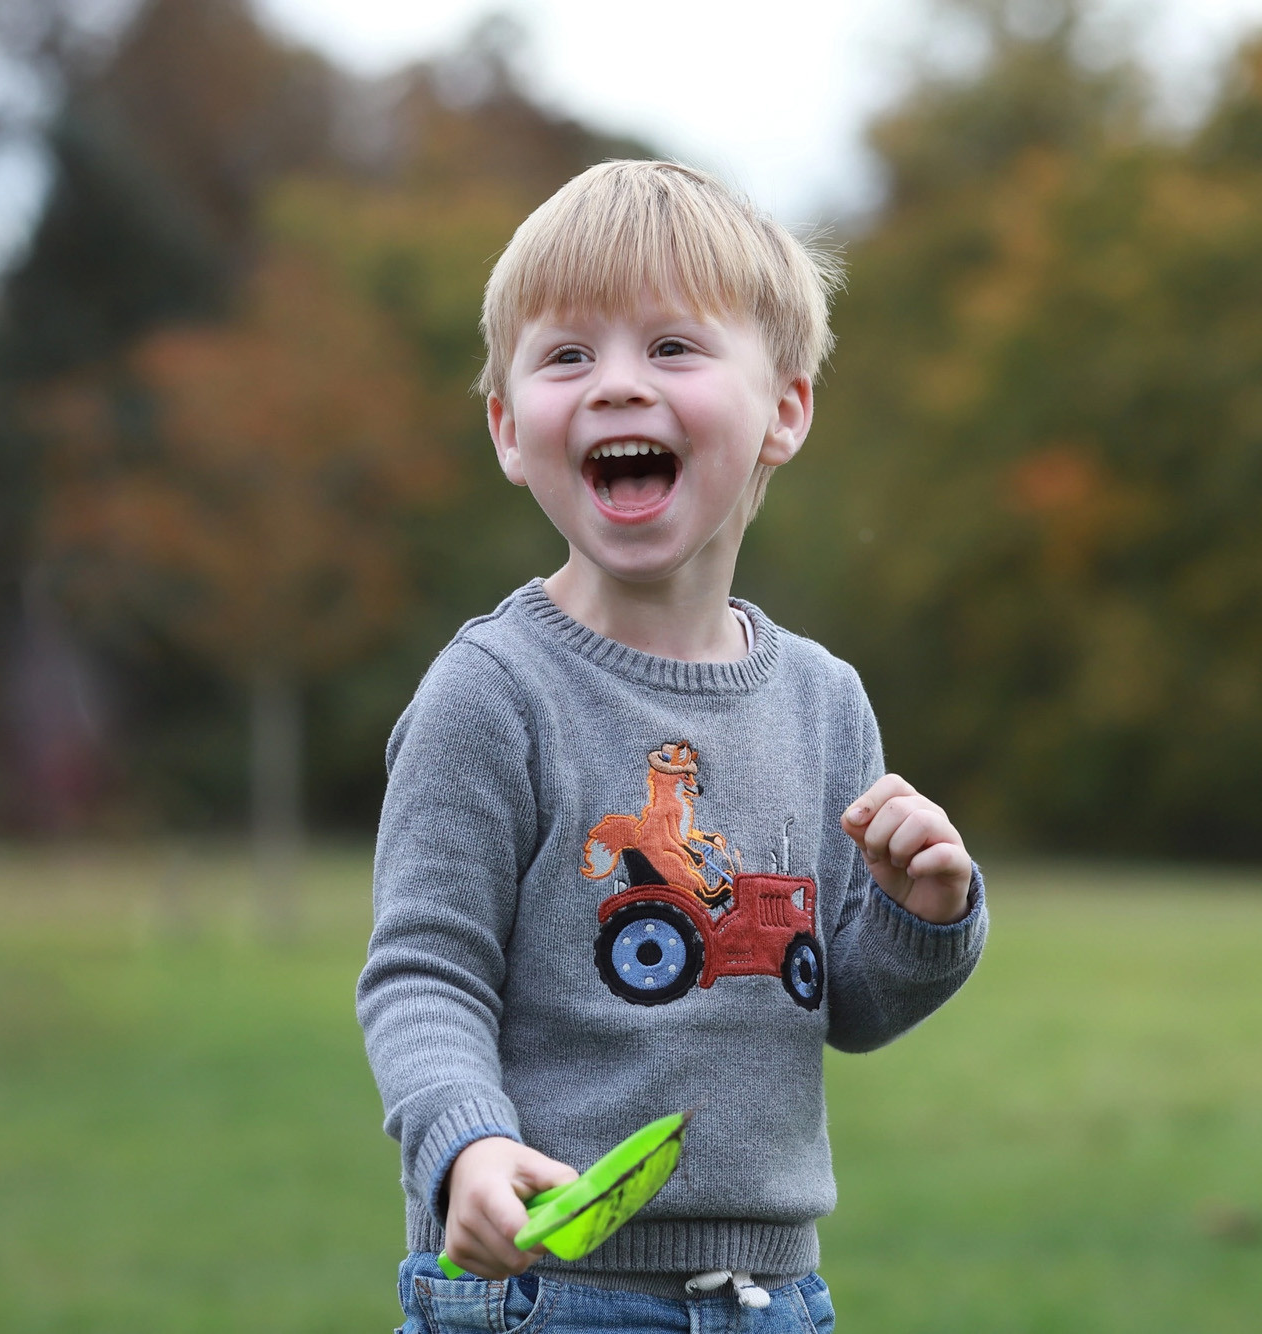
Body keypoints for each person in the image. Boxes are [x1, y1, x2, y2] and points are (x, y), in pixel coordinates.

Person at [358, 159, 988, 1333]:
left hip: (770, 1297)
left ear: (783, 410)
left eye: (671, 347)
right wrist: (465, 1141)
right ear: (507, 428)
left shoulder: (822, 700)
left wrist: (922, 916)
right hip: (544, 1292)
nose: (614, 384)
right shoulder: (492, 693)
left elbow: (836, 997)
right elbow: (422, 973)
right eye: (566, 355)